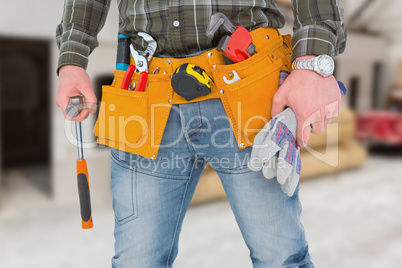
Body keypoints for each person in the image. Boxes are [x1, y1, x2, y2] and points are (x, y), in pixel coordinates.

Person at [56, 1, 346, 267]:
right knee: (135, 261)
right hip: (143, 90)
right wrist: (71, 59)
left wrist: (312, 63)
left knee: (281, 258)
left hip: (249, 81)